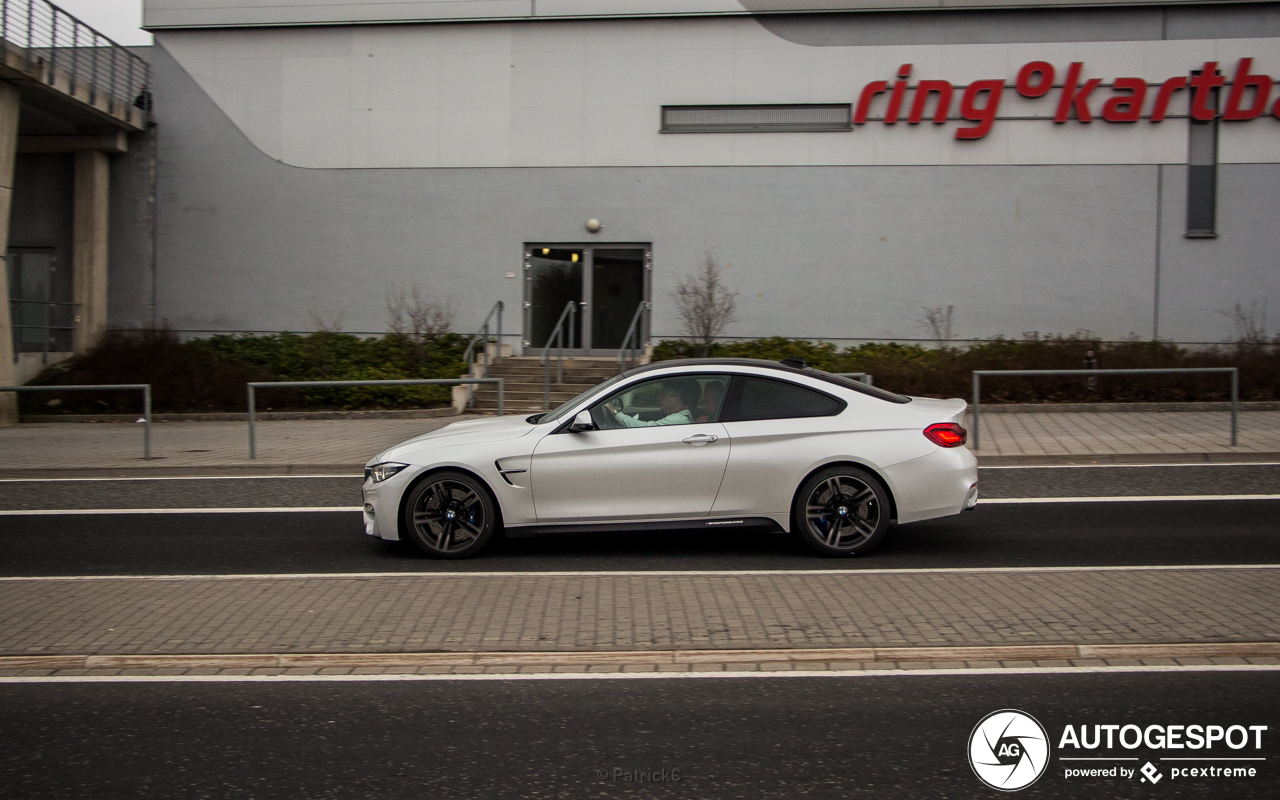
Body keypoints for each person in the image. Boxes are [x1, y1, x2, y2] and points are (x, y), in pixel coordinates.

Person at [603, 379, 698, 427]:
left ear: (677, 399)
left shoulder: (678, 419)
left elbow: (644, 428)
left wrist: (615, 412)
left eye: (663, 395)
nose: (659, 398)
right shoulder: (681, 417)